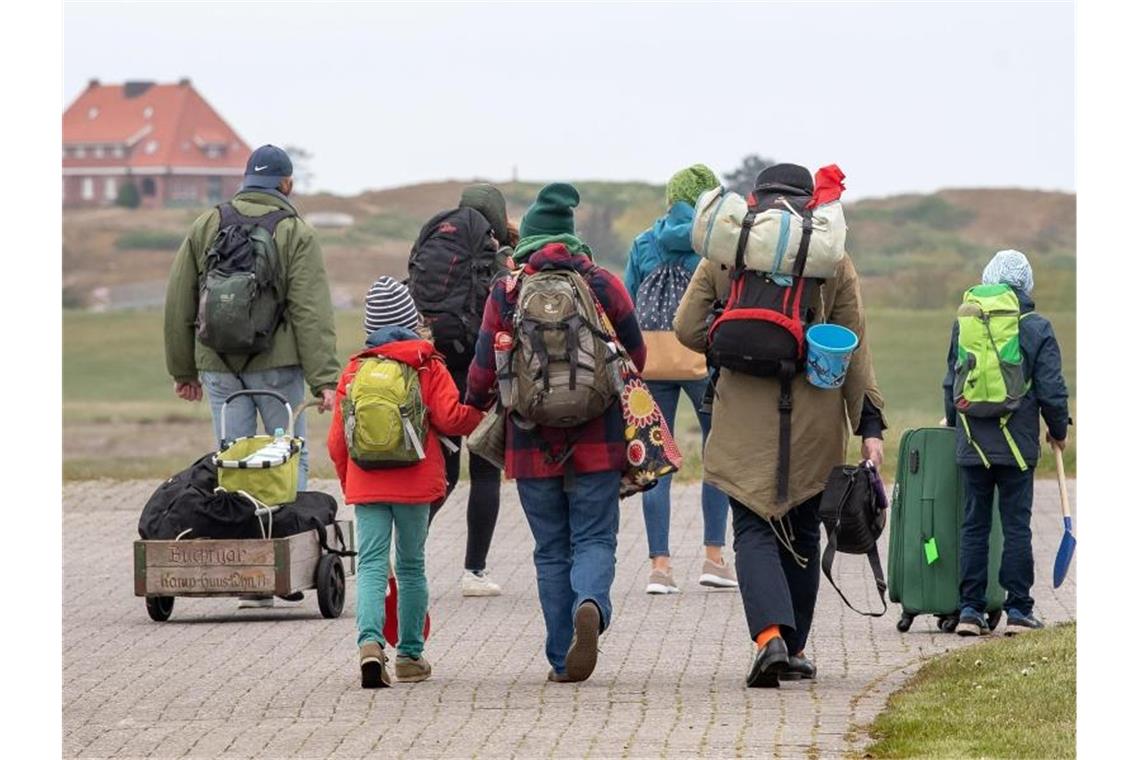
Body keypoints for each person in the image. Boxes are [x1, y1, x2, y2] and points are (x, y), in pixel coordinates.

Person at [674, 163, 886, 687]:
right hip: (814, 418)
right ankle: (792, 648)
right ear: (809, 206)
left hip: (741, 415)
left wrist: (728, 341)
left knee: (752, 529)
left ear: (756, 200)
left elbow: (684, 327)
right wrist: (870, 423)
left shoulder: (729, 251)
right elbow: (853, 347)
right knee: (805, 533)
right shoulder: (831, 259)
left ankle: (768, 638)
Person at [466, 183, 646, 683]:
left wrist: (468, 410)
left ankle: (562, 658)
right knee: (593, 537)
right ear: (571, 234)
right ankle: (590, 603)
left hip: (530, 437)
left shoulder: (507, 290)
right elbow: (636, 354)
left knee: (550, 549)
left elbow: (483, 369)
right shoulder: (601, 284)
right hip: (600, 435)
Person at [164, 144, 339, 608]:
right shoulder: (295, 231)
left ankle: (248, 576)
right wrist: (325, 379)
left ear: (246, 179)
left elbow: (179, 299)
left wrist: (184, 369)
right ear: (287, 184)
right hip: (278, 366)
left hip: (218, 364)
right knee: (286, 457)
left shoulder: (207, 223)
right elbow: (310, 310)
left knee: (231, 461)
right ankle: (286, 561)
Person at [328, 276, 484, 688]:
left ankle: (369, 645)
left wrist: (352, 482)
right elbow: (451, 418)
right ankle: (411, 656)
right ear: (410, 319)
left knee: (372, 565)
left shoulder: (355, 371)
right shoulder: (427, 364)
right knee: (411, 565)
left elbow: (335, 440)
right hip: (415, 484)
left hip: (367, 483)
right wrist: (479, 414)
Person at [942, 250, 1070, 636]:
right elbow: (1052, 390)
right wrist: (1059, 430)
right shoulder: (1037, 326)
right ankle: (1018, 610)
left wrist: (953, 423)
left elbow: (952, 382)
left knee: (973, 526)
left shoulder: (966, 321)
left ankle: (969, 611)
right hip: (1017, 446)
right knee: (1016, 527)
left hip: (972, 443)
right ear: (1026, 285)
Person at [624, 163, 735, 594]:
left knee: (656, 461)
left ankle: (660, 568)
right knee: (717, 455)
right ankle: (713, 558)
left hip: (653, 362)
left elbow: (628, 303)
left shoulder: (643, 242)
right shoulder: (710, 245)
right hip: (702, 359)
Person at [411, 183, 516, 597]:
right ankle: (475, 572)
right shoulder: (492, 253)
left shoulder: (439, 236)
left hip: (437, 366)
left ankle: (407, 556)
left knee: (446, 472)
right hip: (479, 367)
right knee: (485, 469)